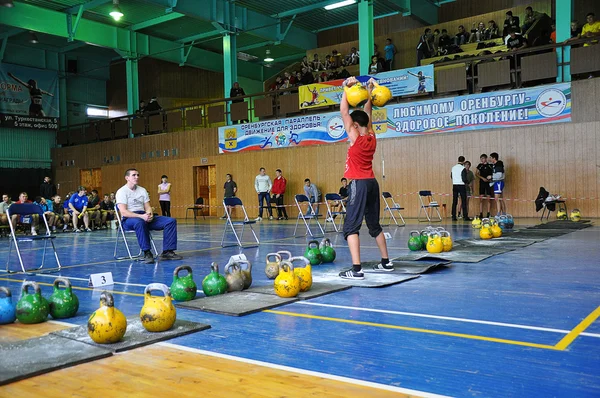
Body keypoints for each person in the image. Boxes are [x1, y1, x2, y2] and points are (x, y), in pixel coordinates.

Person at [337, 76, 392, 280]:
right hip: (371, 183)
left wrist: (345, 88)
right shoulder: (371, 136)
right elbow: (368, 114)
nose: (348, 125)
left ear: (355, 125)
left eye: (351, 123)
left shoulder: (356, 137)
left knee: (351, 226)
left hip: (359, 184)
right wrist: (368, 91)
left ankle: (357, 269)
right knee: (374, 224)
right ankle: (386, 262)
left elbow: (344, 111)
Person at [116, 169, 182, 263]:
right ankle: (147, 253)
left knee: (170, 221)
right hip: (129, 219)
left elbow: (148, 207)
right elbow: (124, 212)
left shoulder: (142, 190)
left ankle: (167, 251)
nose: (137, 177)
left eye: (138, 175)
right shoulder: (122, 191)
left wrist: (149, 214)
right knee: (139, 222)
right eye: (134, 175)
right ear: (127, 178)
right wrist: (141, 217)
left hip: (143, 216)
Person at [450, 156, 472, 222]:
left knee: (454, 201)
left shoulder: (453, 167)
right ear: (463, 161)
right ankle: (465, 216)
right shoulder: (463, 168)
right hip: (461, 185)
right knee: (463, 201)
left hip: (455, 185)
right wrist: (468, 183)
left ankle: (453, 216)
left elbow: (451, 176)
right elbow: (464, 178)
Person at [476, 154, 493, 219]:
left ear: (485, 159)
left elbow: (493, 173)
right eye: (481, 159)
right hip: (482, 183)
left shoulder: (490, 165)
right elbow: (476, 173)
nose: (482, 160)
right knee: (481, 199)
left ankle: (488, 213)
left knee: (489, 198)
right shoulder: (480, 165)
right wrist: (482, 178)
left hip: (488, 183)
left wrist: (490, 179)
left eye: (483, 158)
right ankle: (481, 213)